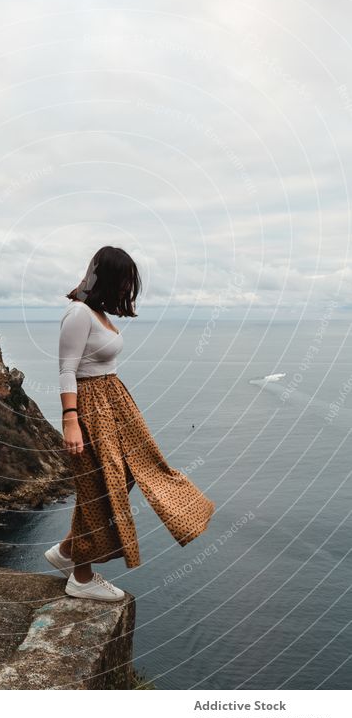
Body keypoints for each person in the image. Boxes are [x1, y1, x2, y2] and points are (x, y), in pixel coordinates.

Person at [45, 245, 216, 601]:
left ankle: (66, 550)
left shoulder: (98, 314)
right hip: (91, 405)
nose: (127, 289)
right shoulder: (78, 313)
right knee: (98, 484)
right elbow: (66, 370)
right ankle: (80, 575)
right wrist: (70, 420)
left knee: (133, 472)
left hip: (113, 401)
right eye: (123, 281)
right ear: (107, 278)